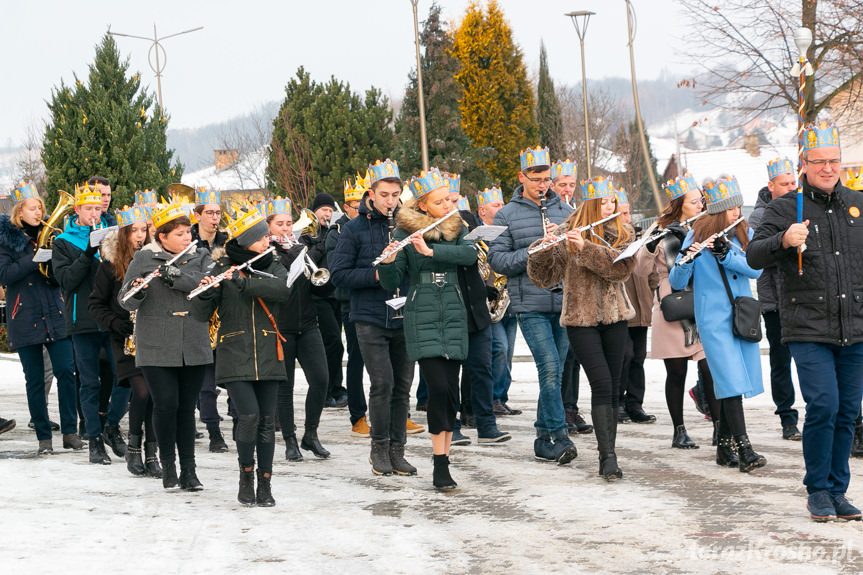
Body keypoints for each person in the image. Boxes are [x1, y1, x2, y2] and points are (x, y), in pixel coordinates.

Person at [748, 121, 863, 522]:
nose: (828, 168)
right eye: (820, 161)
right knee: (824, 405)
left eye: (834, 161)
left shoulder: (857, 204)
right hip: (807, 324)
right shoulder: (785, 208)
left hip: (854, 324)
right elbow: (754, 256)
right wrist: (782, 241)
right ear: (804, 164)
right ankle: (818, 489)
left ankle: (838, 490)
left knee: (849, 409)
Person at [528, 176, 635, 481]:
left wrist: (585, 249)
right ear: (589, 204)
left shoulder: (621, 233)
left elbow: (621, 270)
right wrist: (545, 247)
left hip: (615, 317)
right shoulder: (566, 231)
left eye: (611, 201)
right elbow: (544, 278)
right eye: (602, 202)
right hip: (580, 319)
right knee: (601, 382)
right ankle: (608, 458)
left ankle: (607, 453)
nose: (609, 207)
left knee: (614, 386)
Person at [378, 168, 477, 489]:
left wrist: (432, 251)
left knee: (451, 391)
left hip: (454, 309)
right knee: (437, 388)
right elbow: (391, 283)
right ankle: (439, 464)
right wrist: (389, 261)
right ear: (423, 206)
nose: (448, 206)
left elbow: (469, 255)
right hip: (422, 310)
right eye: (440, 202)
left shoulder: (457, 227)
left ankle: (446, 456)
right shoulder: (404, 232)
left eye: (449, 199)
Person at [192, 207, 290, 507]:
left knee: (265, 421)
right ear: (247, 241)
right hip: (235, 351)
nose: (267, 241)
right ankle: (246, 474)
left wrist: (243, 282)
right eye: (261, 238)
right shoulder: (220, 266)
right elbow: (200, 314)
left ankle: (265, 482)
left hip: (269, 351)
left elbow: (281, 290)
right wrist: (207, 292)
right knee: (248, 415)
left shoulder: (273, 263)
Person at [670, 175, 767, 474]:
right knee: (731, 379)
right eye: (730, 208)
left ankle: (724, 447)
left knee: (731, 380)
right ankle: (744, 448)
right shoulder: (694, 235)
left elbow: (755, 268)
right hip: (713, 320)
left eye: (738, 205)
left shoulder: (743, 232)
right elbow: (676, 282)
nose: (736, 212)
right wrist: (686, 259)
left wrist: (727, 255)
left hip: (741, 316)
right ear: (716, 211)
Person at [488, 146, 577, 464]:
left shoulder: (566, 212)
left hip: (563, 301)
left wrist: (565, 243)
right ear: (521, 177)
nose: (543, 185)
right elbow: (496, 259)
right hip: (530, 304)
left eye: (547, 179)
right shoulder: (506, 215)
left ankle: (543, 438)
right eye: (536, 179)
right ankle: (560, 436)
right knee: (549, 370)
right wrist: (534, 250)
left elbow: (578, 259)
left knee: (557, 371)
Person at [330, 158, 416, 477]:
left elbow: (415, 270)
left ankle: (398, 451)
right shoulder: (353, 229)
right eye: (384, 195)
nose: (390, 201)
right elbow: (338, 275)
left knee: (402, 386)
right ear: (371, 193)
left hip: (404, 314)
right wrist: (378, 275)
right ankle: (378, 448)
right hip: (369, 317)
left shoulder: (407, 225)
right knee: (383, 383)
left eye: (395, 195)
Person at [119, 201, 213, 491]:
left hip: (193, 341)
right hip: (156, 343)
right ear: (162, 237)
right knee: (166, 404)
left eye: (188, 232)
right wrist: (139, 290)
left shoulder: (200, 255)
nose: (187, 237)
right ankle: (168, 466)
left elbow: (204, 284)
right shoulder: (144, 259)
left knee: (186, 408)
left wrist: (177, 277)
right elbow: (124, 300)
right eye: (180, 234)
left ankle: (190, 470)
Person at [634, 174, 719, 449]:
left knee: (710, 368)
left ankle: (720, 427)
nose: (700, 205)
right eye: (695, 201)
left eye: (701, 200)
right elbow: (639, 270)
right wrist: (648, 248)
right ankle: (679, 430)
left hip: (702, 300)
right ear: (680, 203)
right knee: (677, 372)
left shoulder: (706, 226)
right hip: (672, 303)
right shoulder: (660, 228)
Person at [0, 182, 82, 454]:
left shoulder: (54, 235)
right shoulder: (6, 239)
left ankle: (70, 432)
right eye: (32, 208)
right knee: (35, 380)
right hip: (23, 315)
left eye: (40, 208)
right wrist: (34, 258)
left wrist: (54, 261)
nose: (39, 212)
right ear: (19, 211)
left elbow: (61, 277)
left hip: (55, 313)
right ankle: (44, 437)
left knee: (66, 374)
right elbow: (5, 276)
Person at [52, 183, 127, 464]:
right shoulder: (63, 241)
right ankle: (94, 440)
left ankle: (111, 426)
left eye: (98, 208)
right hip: (81, 319)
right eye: (88, 209)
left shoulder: (114, 237)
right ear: (77, 211)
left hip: (111, 318)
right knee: (89, 382)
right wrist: (87, 252)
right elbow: (67, 281)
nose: (95, 213)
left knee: (125, 377)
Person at [89, 205, 161, 477]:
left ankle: (152, 452)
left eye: (144, 230)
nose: (140, 236)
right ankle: (133, 448)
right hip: (124, 338)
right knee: (141, 392)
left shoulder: (155, 259)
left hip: (153, 335)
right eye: (135, 231)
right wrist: (115, 324)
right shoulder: (109, 265)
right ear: (123, 233)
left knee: (154, 394)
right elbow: (95, 304)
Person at [262, 198, 331, 461]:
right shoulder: (266, 253)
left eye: (289, 223)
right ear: (268, 227)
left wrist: (319, 269)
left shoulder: (302, 248)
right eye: (279, 224)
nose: (286, 228)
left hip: (308, 323)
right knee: (285, 386)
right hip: (281, 326)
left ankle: (310, 434)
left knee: (321, 379)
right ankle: (290, 439)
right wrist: (297, 257)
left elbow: (319, 287)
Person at [446, 173, 511, 445]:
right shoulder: (430, 227)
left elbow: (480, 256)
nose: (453, 205)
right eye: (447, 200)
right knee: (450, 373)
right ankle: (453, 426)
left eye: (455, 200)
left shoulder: (469, 220)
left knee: (481, 368)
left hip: (476, 304)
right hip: (449, 306)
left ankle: (486, 425)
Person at [748, 158, 802, 441]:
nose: (792, 188)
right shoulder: (760, 216)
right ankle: (787, 417)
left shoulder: (804, 206)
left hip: (805, 295)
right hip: (776, 299)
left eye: (794, 183)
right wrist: (787, 240)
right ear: (771, 186)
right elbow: (759, 256)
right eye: (785, 184)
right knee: (781, 361)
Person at [551, 159, 593, 434]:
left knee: (574, 357)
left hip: (576, 292)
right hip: (552, 292)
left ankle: (572, 408)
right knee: (559, 360)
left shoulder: (578, 210)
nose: (567, 189)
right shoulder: (551, 212)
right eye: (562, 185)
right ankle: (559, 412)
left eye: (571, 185)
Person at [326, 178, 368, 437]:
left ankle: (400, 413)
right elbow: (337, 269)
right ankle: (358, 415)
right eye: (356, 204)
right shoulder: (337, 232)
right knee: (357, 359)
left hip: (380, 300)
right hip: (351, 301)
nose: (361, 208)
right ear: (346, 207)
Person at [189, 186, 230, 453]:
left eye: (218, 212)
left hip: (225, 315)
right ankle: (213, 429)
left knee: (233, 376)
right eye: (210, 213)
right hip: (200, 314)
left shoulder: (228, 241)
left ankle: (239, 423)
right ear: (198, 215)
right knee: (206, 380)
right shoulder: (188, 243)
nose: (215, 217)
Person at [477, 187, 522, 418]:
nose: (501, 208)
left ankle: (501, 398)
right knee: (499, 349)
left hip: (510, 301)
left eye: (502, 203)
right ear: (482, 210)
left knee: (509, 352)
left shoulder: (509, 231)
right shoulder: (476, 235)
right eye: (496, 205)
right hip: (489, 303)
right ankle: (492, 398)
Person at [302, 191, 348, 408]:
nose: (327, 214)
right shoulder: (307, 233)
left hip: (335, 293)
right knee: (332, 343)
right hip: (317, 296)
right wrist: (323, 242)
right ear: (315, 211)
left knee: (335, 345)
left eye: (330, 210)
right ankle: (328, 389)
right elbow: (305, 259)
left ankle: (337, 387)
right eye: (323, 210)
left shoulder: (337, 231)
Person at [616, 189, 657, 425]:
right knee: (625, 355)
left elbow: (651, 270)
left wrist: (652, 292)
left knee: (638, 356)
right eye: (622, 213)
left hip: (641, 305)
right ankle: (618, 401)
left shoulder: (639, 238)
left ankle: (635, 403)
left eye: (628, 212)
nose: (627, 217)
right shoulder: (611, 239)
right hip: (623, 306)